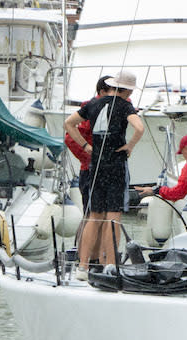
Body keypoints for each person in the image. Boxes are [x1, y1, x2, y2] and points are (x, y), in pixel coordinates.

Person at [64, 71, 145, 278]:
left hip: (96, 165)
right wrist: (130, 146)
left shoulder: (94, 103)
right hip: (115, 165)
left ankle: (83, 266)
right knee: (113, 218)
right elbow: (140, 128)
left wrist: (85, 145)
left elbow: (68, 124)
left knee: (94, 216)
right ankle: (110, 264)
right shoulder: (125, 106)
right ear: (126, 90)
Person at [64, 75, 112, 216]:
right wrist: (89, 156)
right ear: (102, 92)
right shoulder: (91, 110)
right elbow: (70, 138)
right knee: (93, 215)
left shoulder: (114, 107)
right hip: (92, 170)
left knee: (104, 214)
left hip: (107, 169)